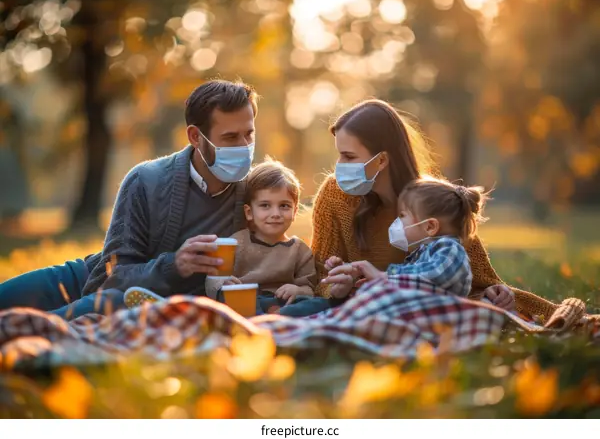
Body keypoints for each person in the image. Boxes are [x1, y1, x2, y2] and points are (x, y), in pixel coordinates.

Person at [0, 80, 258, 319]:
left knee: (39, 324)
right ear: (195, 137)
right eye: (230, 138)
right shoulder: (146, 180)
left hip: (124, 303)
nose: (244, 146)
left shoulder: (256, 195)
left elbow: (275, 265)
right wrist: (174, 265)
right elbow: (116, 274)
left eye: (249, 134)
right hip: (88, 279)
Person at [311, 99, 571, 322]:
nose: (339, 166)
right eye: (339, 156)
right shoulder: (335, 196)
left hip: (421, 317)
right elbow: (318, 277)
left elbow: (473, 282)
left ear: (381, 160)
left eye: (349, 157)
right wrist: (337, 288)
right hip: (360, 311)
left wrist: (499, 295)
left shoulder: (433, 202)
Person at [124, 159, 328, 317]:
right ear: (249, 212)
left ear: (294, 211)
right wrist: (222, 285)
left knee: (319, 304)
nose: (275, 213)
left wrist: (297, 289)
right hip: (243, 304)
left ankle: (263, 322)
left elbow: (309, 288)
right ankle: (172, 310)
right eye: (265, 205)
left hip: (281, 306)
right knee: (219, 303)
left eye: (284, 206)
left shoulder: (299, 250)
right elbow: (212, 283)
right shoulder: (236, 243)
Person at [326, 176, 490, 298]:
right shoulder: (420, 254)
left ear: (430, 226)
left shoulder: (450, 249)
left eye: (403, 216)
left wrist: (384, 277)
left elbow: (434, 276)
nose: (397, 222)